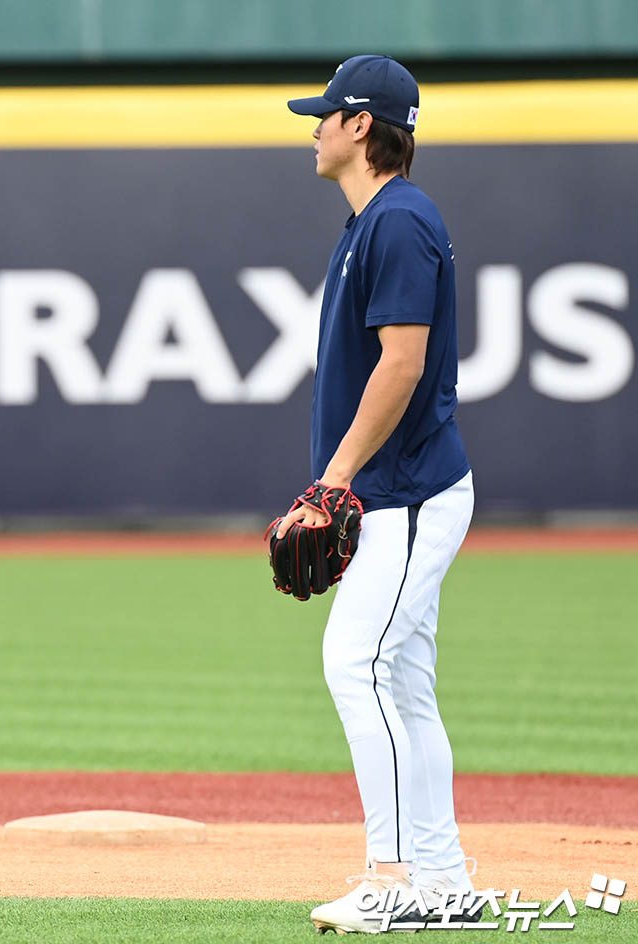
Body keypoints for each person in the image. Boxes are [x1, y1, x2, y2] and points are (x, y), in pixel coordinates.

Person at [278, 57, 479, 934]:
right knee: (402, 679)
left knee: (355, 665)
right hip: (404, 492)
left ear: (363, 126)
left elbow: (401, 363)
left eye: (326, 115)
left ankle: (393, 876)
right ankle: (444, 882)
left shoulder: (396, 219)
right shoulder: (377, 219)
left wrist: (333, 479)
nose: (314, 127)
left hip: (407, 493)